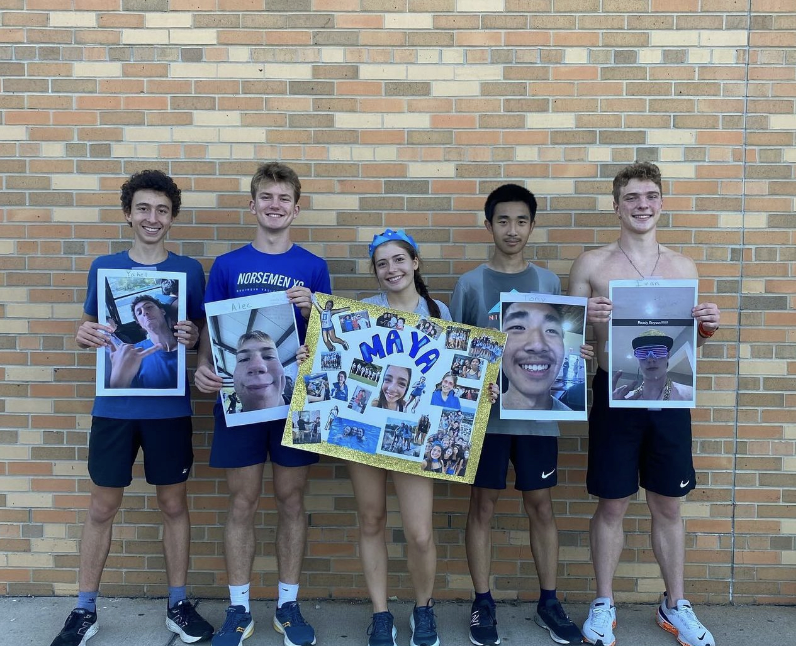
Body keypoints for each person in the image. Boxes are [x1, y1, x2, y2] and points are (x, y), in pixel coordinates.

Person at [49, 170, 213, 646]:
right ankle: (84, 610)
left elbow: (199, 333)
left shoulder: (189, 271)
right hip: (115, 409)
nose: (152, 218)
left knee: (173, 504)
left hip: (170, 412)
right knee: (102, 506)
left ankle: (178, 604)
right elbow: (89, 329)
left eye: (162, 210)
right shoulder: (104, 268)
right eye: (143, 208)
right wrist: (82, 336)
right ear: (128, 214)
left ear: (173, 217)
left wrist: (192, 337)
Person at [568, 161, 720, 646]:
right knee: (612, 504)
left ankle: (675, 604)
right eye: (632, 197)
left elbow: (692, 345)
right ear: (616, 206)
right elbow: (564, 342)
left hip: (670, 399)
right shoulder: (591, 264)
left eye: (650, 196)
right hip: (615, 396)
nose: (642, 205)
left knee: (668, 505)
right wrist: (580, 322)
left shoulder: (683, 266)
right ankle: (603, 602)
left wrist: (707, 326)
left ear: (661, 203)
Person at [195, 162, 330, 646]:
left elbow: (326, 345)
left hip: (294, 406)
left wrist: (314, 311)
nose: (275, 205)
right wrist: (204, 369)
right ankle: (238, 609)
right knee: (242, 502)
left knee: (291, 501)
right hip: (240, 406)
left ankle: (288, 605)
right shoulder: (228, 265)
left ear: (297, 206)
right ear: (252, 205)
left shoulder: (313, 266)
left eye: (284, 198)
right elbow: (211, 336)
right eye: (266, 197)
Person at [450, 183, 584, 645]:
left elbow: (556, 344)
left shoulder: (547, 283)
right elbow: (456, 353)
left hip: (536, 421)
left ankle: (549, 601)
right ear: (488, 225)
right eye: (503, 220)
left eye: (521, 220)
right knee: (482, 506)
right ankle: (482, 602)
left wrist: (578, 353)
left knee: (541, 505)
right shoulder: (469, 284)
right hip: (487, 421)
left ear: (532, 225)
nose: (512, 229)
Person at [350, 229, 452, 646]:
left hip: (414, 437)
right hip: (367, 432)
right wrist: (311, 355)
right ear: (375, 271)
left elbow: (453, 376)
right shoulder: (359, 312)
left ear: (415, 263)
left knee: (419, 532)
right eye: (382, 263)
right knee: (372, 520)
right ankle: (380, 614)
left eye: (398, 260)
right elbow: (344, 367)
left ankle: (423, 608)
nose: (391, 269)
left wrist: (481, 390)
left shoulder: (438, 311)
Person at [500, 301, 571, 412]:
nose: (537, 345)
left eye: (551, 330)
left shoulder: (571, 422)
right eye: (518, 327)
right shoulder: (480, 417)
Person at [106, 294, 180, 389]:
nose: (144, 312)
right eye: (139, 313)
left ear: (162, 311)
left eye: (149, 307)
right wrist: (118, 383)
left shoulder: (187, 343)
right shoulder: (133, 353)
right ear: (139, 323)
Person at [613, 329, 694, 402]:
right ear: (638, 359)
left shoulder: (690, 394)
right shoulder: (625, 399)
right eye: (643, 352)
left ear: (668, 355)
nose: (650, 359)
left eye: (658, 351)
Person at [231, 331, 289, 412]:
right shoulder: (223, 418)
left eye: (269, 357)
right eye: (243, 359)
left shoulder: (307, 404)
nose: (256, 366)